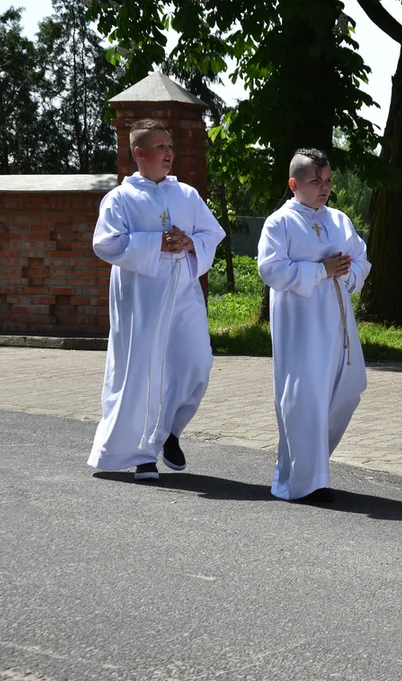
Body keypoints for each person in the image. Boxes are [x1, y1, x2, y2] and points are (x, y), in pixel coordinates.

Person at [88, 119, 225, 481]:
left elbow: (212, 232)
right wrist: (156, 244)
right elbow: (105, 243)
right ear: (139, 152)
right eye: (161, 146)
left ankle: (169, 431)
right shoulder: (120, 198)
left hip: (183, 293)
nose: (169, 153)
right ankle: (141, 453)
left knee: (198, 361)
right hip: (141, 297)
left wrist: (190, 243)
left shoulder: (187, 195)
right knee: (145, 370)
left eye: (170, 146)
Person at [257, 148, 371, 503]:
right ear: (294, 184)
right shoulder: (280, 222)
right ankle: (306, 481)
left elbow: (362, 260)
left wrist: (348, 269)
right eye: (315, 181)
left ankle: (309, 466)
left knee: (347, 389)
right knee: (304, 397)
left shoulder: (338, 219)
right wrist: (322, 270)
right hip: (301, 325)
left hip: (337, 323)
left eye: (328, 181)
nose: (324, 188)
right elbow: (270, 269)